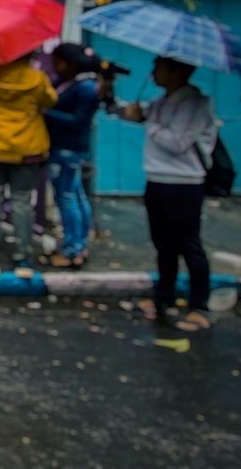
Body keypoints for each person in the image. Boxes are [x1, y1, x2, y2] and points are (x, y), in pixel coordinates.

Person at [112, 56, 217, 331]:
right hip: (156, 180)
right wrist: (110, 96)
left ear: (176, 71)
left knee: (188, 244)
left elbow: (179, 142)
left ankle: (199, 306)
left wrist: (147, 122)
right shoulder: (162, 101)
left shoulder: (196, 102)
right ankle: (164, 298)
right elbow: (128, 112)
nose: (153, 73)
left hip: (184, 183)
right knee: (163, 245)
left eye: (159, 67)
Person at [0, 53, 58, 278]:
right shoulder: (36, 78)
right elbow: (51, 101)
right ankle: (23, 259)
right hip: (27, 149)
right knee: (22, 202)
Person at [43, 44, 126, 268]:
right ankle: (78, 244)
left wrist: (44, 113)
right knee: (75, 196)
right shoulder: (74, 83)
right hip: (66, 148)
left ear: (71, 63)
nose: (55, 67)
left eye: (58, 63)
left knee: (68, 198)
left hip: (68, 149)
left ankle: (73, 249)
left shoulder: (85, 88)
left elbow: (77, 121)